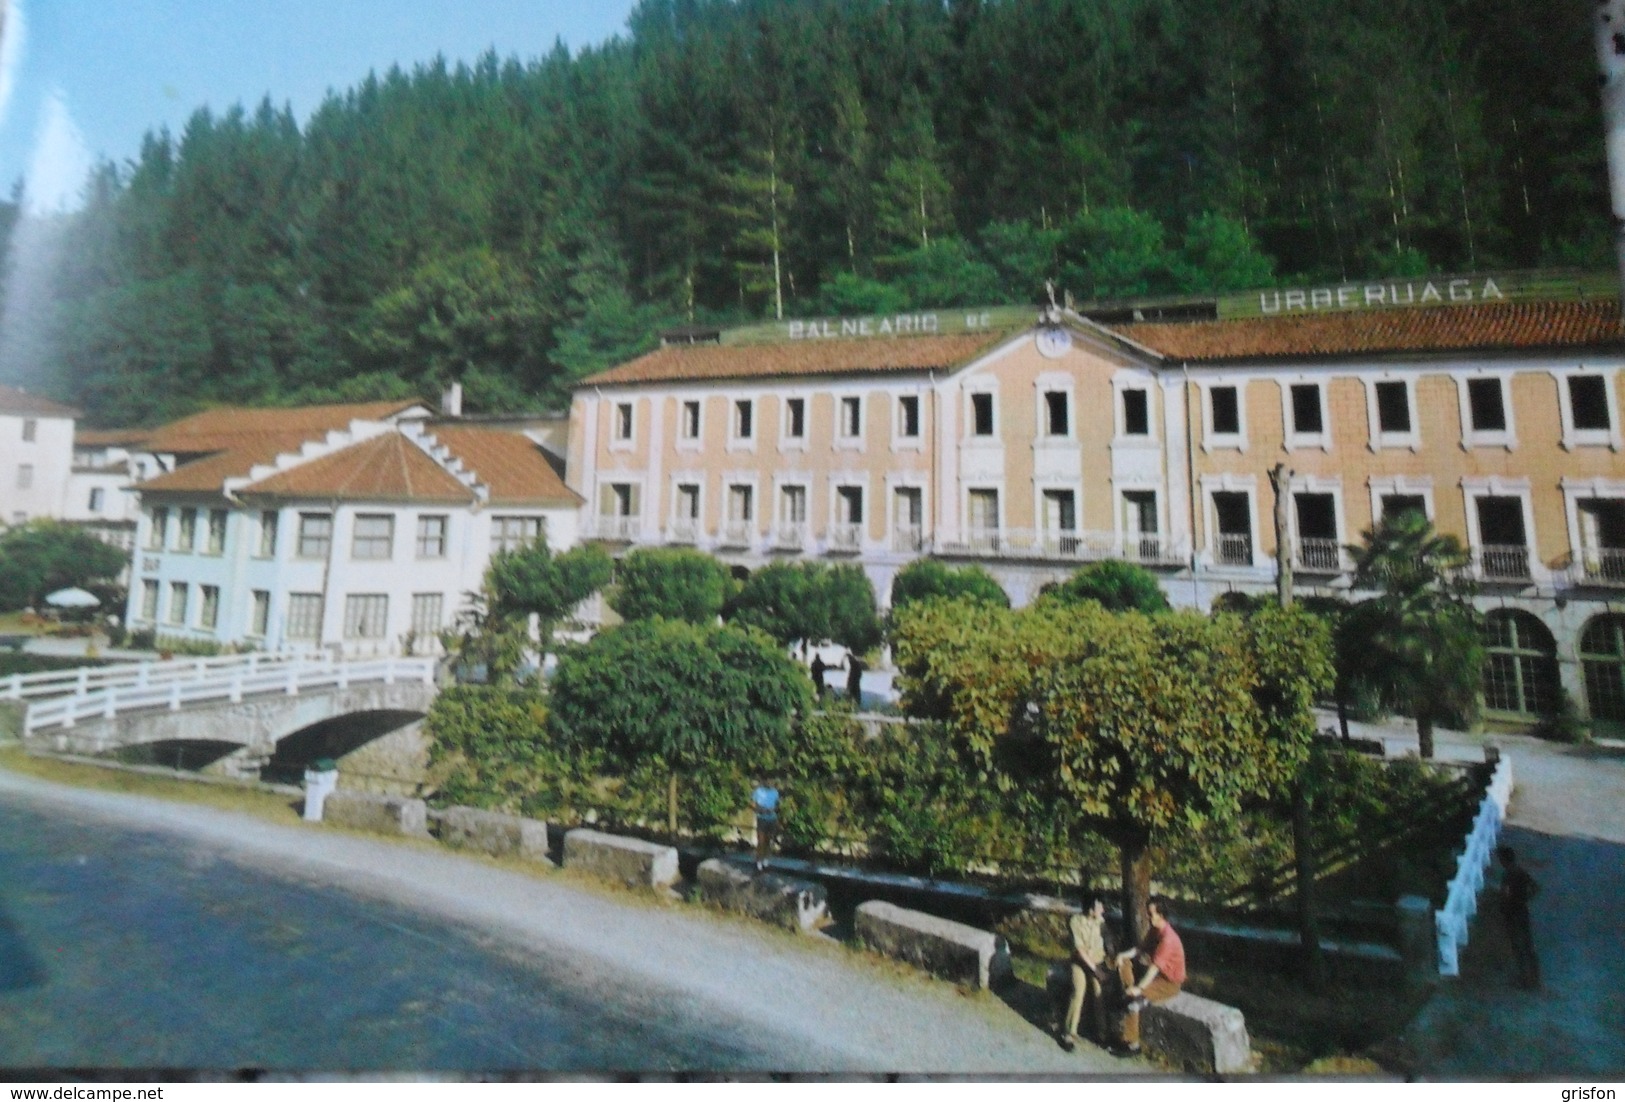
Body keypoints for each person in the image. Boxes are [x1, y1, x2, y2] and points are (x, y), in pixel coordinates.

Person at [1114, 895, 1185, 1056]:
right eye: (1148, 913)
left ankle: (1132, 1044)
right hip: (1157, 976)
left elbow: (1154, 968)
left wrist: (1139, 989)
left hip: (1169, 983)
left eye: (1151, 914)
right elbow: (1140, 949)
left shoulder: (1168, 939)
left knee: (1133, 1002)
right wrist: (1122, 955)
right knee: (1123, 963)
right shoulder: (1155, 930)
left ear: (1161, 915)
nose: (1148, 916)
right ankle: (1127, 990)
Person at [1060, 893, 1111, 1051]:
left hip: (1097, 961)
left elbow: (1108, 942)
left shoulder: (1101, 922)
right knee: (1078, 990)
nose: (1102, 909)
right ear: (1090, 908)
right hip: (1081, 962)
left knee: (1099, 992)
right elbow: (1080, 950)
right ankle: (1068, 1033)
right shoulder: (1076, 921)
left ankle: (1102, 1034)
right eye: (1099, 906)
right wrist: (1095, 970)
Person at [1498, 845, 1540, 990]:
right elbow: (1535, 887)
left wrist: (1504, 906)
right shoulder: (1521, 872)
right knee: (1528, 945)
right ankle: (1535, 978)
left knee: (1517, 946)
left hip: (1512, 913)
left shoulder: (1507, 875)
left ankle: (1523, 978)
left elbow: (1505, 894)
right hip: (1522, 911)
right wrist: (1525, 899)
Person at [751, 777, 780, 872]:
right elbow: (752, 804)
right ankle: (758, 861)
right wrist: (760, 809)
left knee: (769, 840)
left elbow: (777, 805)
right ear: (764, 781)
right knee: (761, 841)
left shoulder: (775, 792)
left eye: (771, 780)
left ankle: (766, 861)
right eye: (768, 780)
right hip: (761, 818)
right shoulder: (758, 791)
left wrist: (773, 809)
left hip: (772, 818)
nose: (770, 782)